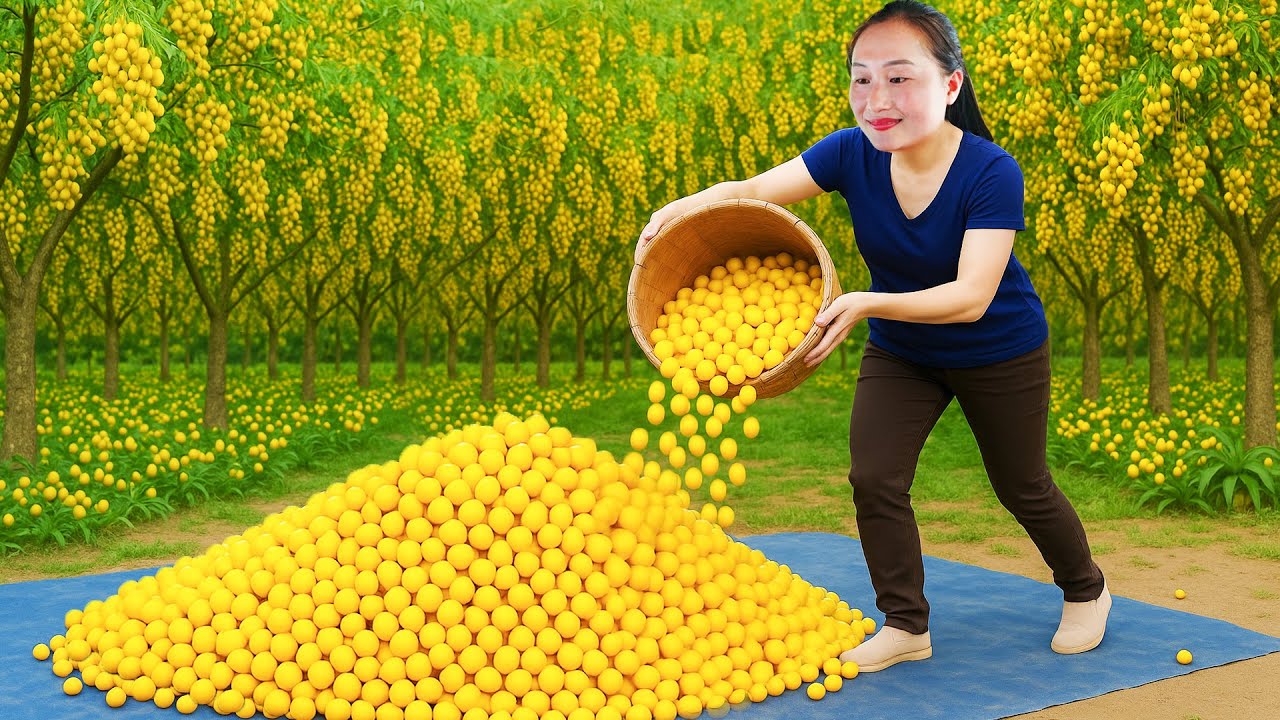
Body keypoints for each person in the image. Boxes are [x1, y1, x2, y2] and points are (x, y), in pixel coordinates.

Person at [634, 0, 1109, 673]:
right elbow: (753, 191)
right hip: (905, 349)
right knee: (875, 477)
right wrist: (680, 210)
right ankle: (906, 624)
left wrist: (861, 303)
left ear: (950, 85)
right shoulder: (850, 154)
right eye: (862, 78)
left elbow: (972, 297)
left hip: (997, 347)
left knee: (1020, 483)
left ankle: (1086, 588)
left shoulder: (991, 171)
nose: (877, 98)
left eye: (899, 77)